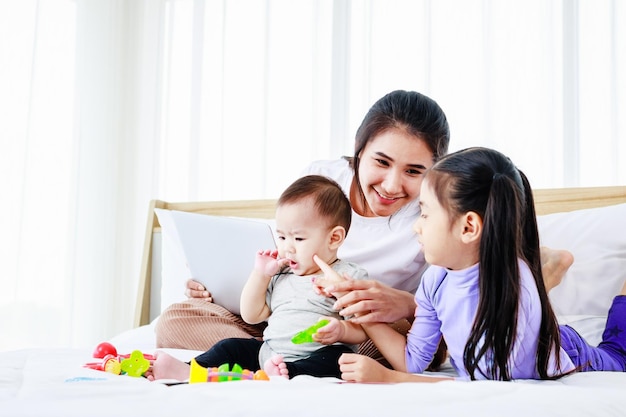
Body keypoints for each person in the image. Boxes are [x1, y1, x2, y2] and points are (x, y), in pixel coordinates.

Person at [155, 90, 573, 368]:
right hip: (280, 313)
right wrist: (225, 282)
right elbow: (282, 246)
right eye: (381, 162)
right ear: (358, 153)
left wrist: (402, 303)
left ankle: (283, 359)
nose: (393, 186)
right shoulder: (321, 177)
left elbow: (460, 288)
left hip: (359, 329)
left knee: (402, 347)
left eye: (414, 171)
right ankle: (280, 357)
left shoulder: (433, 213)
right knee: (174, 321)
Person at [314, 147, 626, 383]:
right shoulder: (435, 279)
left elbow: (482, 386)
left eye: (424, 214)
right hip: (538, 328)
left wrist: (388, 379)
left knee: (619, 349)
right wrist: (355, 306)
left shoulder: (513, 304)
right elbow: (413, 361)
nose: (416, 228)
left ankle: (554, 265)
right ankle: (550, 262)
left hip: (575, 353)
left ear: (468, 228)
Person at [146, 175, 368, 381]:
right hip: (270, 353)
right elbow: (252, 316)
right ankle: (192, 368)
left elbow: (364, 329)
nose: (287, 248)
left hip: (319, 355)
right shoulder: (281, 274)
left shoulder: (350, 277)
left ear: (334, 238)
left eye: (299, 238)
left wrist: (342, 331)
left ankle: (288, 374)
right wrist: (260, 275)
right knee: (230, 347)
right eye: (281, 236)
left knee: (337, 359)